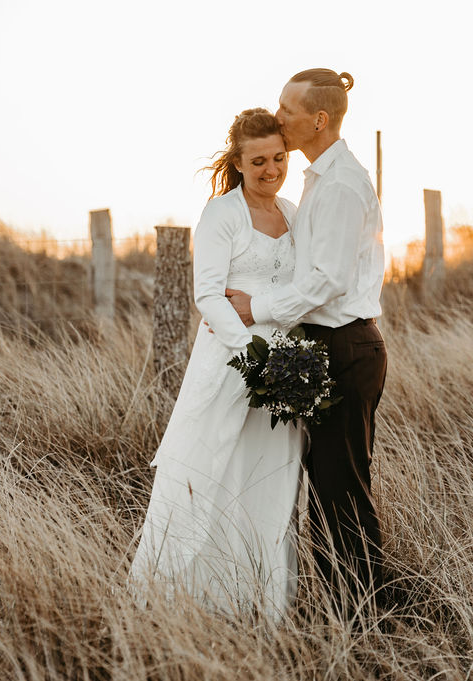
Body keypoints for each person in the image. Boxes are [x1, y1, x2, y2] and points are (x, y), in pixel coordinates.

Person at [128, 108, 303, 622]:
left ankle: (257, 609)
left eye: (278, 158)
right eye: (258, 162)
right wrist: (257, 358)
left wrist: (286, 363)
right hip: (234, 362)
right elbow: (208, 296)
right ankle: (185, 607)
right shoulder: (222, 214)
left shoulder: (294, 212)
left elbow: (306, 289)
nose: (270, 170)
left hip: (289, 372)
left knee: (269, 477)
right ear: (239, 162)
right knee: (211, 473)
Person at [225, 69, 387, 614]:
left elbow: (328, 279)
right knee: (329, 490)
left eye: (287, 109)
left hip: (345, 346)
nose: (278, 117)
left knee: (342, 493)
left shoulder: (339, 185)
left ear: (319, 120)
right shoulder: (321, 176)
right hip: (329, 345)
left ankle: (363, 619)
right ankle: (345, 610)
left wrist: (257, 307)